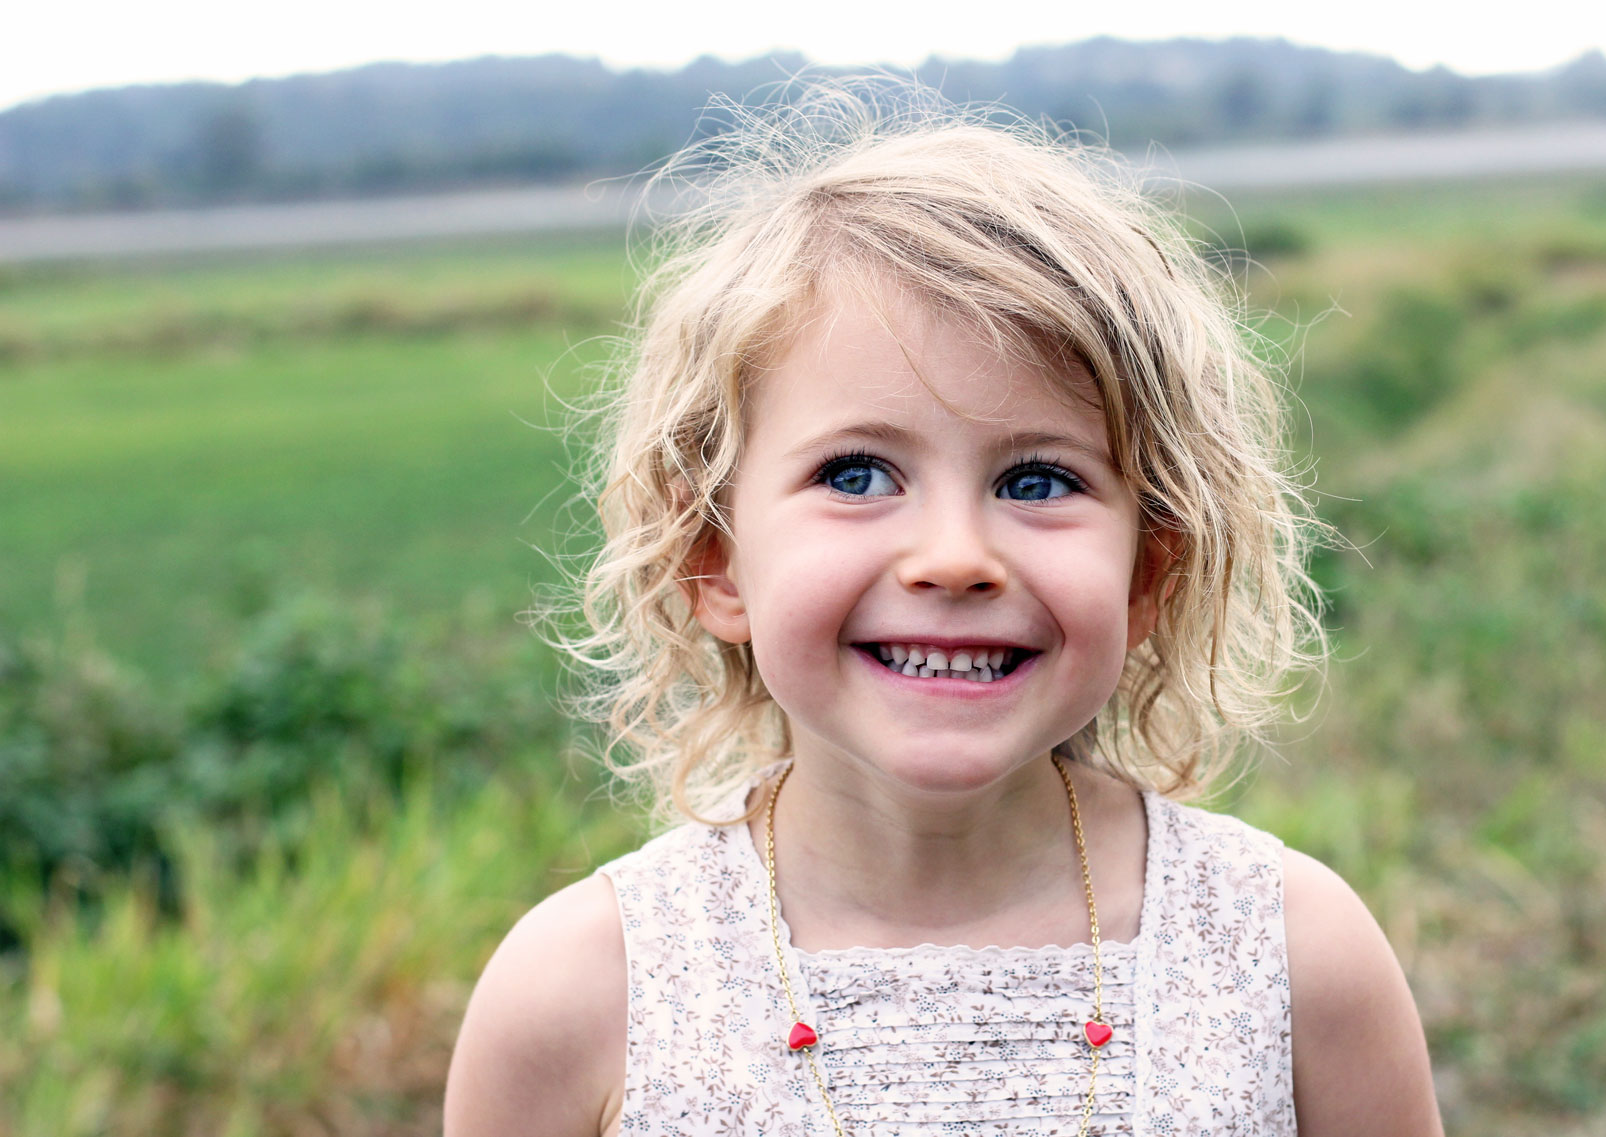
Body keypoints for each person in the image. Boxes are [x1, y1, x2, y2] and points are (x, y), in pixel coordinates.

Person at [445, 82, 1443, 1137]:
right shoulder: (582, 997)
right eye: (860, 474)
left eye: (1038, 483)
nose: (955, 559)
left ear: (1150, 571)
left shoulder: (1289, 957)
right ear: (715, 558)